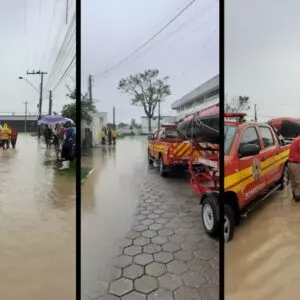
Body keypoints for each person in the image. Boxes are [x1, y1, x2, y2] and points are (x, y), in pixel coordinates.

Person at [288, 136, 300, 202]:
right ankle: (298, 198)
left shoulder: (296, 139)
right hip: (296, 164)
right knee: (298, 182)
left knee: (293, 182)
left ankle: (295, 196)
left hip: (291, 163)